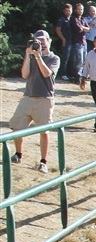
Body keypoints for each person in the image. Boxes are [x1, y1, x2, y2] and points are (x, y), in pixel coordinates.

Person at [8, 30, 60, 174]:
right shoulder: (31, 56)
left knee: (44, 131)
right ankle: (18, 154)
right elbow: (24, 74)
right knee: (16, 126)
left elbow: (46, 73)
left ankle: (43, 162)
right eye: (37, 40)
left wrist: (38, 57)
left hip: (45, 98)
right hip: (28, 97)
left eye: (43, 40)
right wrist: (28, 54)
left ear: (49, 41)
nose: (40, 43)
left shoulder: (54, 58)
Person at [68, 3, 89, 81]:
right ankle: (77, 77)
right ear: (76, 10)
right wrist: (83, 28)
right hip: (77, 42)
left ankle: (81, 76)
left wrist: (82, 27)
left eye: (81, 9)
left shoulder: (83, 19)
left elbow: (89, 29)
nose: (80, 11)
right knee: (78, 61)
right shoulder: (73, 19)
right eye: (79, 9)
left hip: (84, 42)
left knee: (84, 61)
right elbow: (78, 29)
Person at [55, 3, 72, 80]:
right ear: (64, 11)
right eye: (66, 11)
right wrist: (63, 39)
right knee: (65, 58)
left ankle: (70, 73)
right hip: (66, 41)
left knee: (71, 58)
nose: (68, 12)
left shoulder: (72, 19)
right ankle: (63, 74)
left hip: (72, 41)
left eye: (69, 10)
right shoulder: (61, 19)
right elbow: (58, 29)